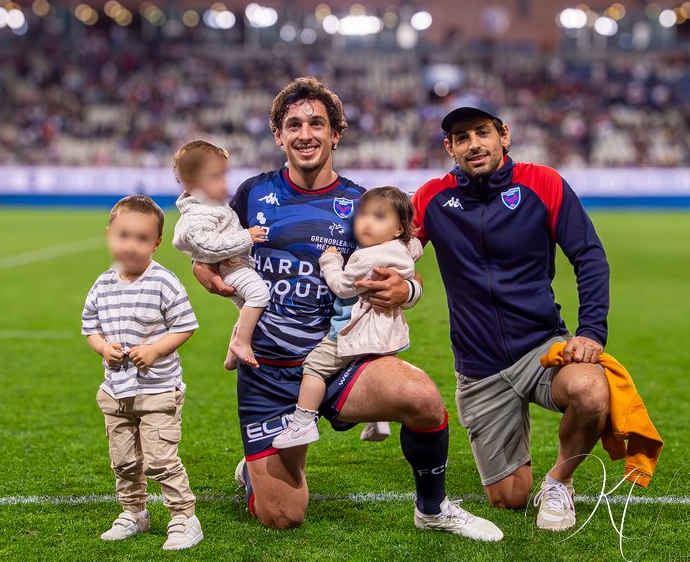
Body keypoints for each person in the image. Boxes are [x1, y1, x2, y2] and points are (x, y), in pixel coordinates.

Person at [191, 77, 502, 541]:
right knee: (283, 516)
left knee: (421, 397)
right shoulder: (252, 194)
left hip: (340, 358)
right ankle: (257, 470)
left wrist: (407, 291)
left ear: (335, 134)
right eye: (294, 125)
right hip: (268, 372)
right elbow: (209, 251)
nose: (305, 134)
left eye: (317, 123)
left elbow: (408, 274)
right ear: (278, 135)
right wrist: (204, 269)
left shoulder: (361, 203)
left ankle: (433, 508)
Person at [411, 105, 612, 532]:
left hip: (541, 347)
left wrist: (592, 331)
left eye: (482, 132)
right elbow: (394, 248)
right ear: (449, 148)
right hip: (479, 365)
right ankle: (519, 463)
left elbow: (589, 255)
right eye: (462, 138)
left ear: (504, 135)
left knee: (592, 390)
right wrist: (399, 281)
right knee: (509, 499)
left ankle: (559, 480)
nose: (474, 144)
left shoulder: (543, 182)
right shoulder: (432, 198)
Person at [81, 195, 203, 550]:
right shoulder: (103, 283)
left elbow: (185, 326)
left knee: (160, 459)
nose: (131, 245)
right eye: (123, 236)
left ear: (156, 243)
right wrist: (103, 348)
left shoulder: (163, 281)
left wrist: (154, 350)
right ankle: (133, 512)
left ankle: (184, 517)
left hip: (158, 391)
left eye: (141, 238)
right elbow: (90, 328)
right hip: (116, 392)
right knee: (124, 461)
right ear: (109, 234)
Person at [272, 186, 424, 448]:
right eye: (363, 215)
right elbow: (416, 247)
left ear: (398, 228)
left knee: (315, 367)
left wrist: (330, 262)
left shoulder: (366, 258)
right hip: (386, 335)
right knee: (367, 371)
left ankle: (303, 422)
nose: (366, 222)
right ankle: (378, 418)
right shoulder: (405, 248)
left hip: (355, 331)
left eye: (378, 217)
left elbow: (342, 287)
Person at [171, 140, 270, 369]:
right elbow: (207, 245)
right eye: (215, 177)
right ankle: (242, 342)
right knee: (259, 295)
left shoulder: (211, 205)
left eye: (224, 175)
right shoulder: (200, 212)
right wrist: (246, 237)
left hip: (235, 263)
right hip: (231, 265)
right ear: (191, 182)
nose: (225, 184)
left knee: (247, 309)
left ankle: (233, 351)